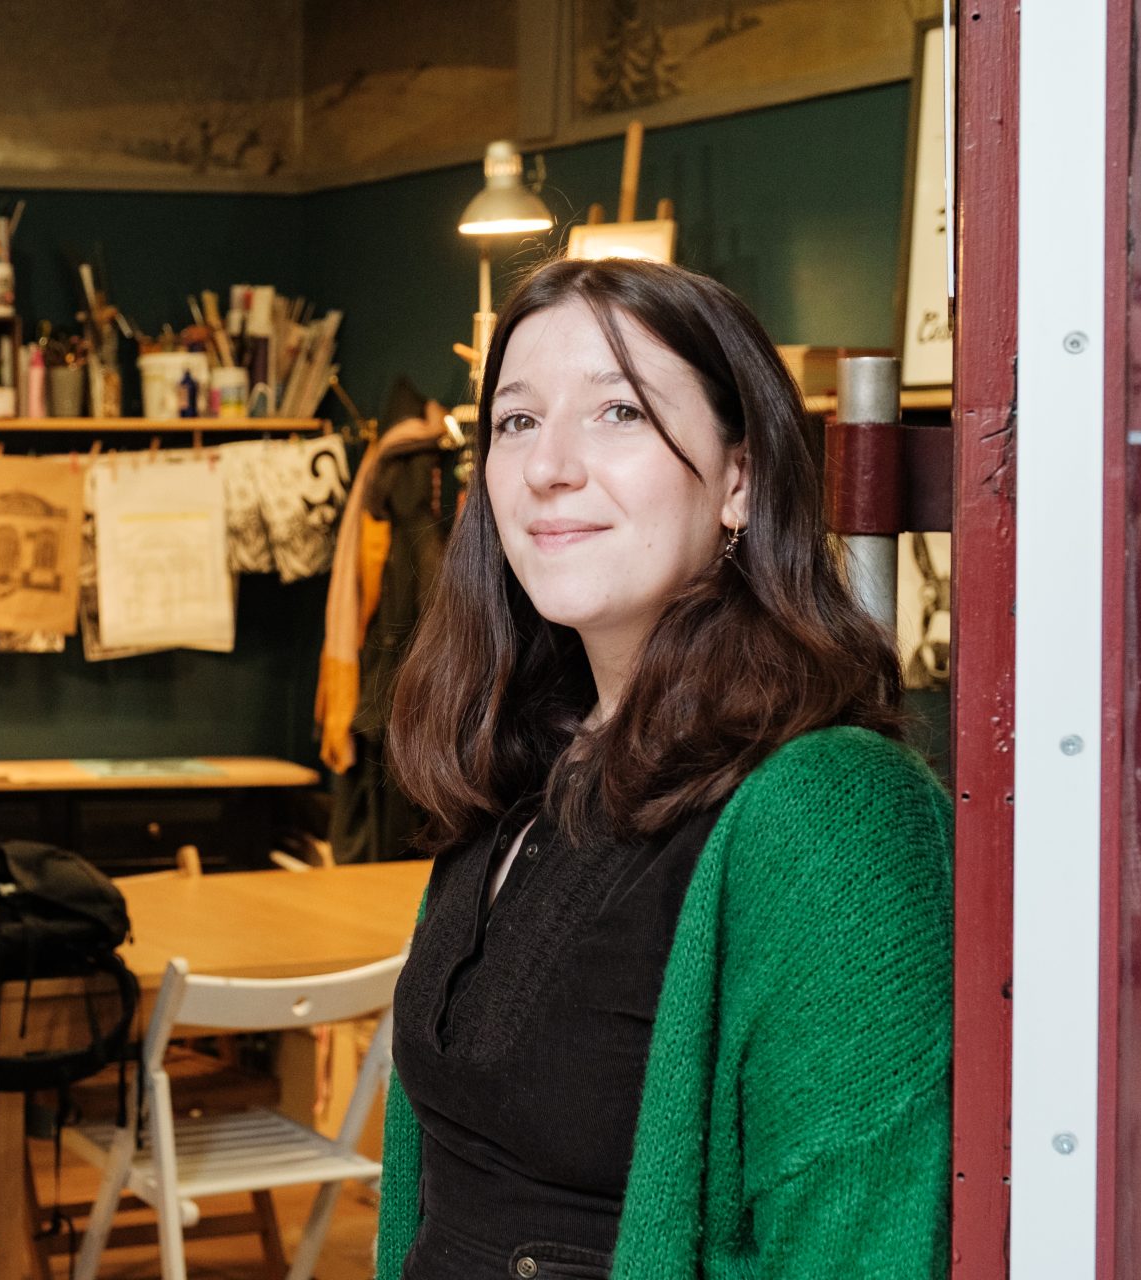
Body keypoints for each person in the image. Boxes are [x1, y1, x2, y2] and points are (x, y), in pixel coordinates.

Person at [376, 257, 951, 1278]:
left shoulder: (834, 812)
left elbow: (863, 1247)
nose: (549, 466)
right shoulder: (516, 778)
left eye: (619, 413)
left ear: (740, 476)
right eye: (516, 422)